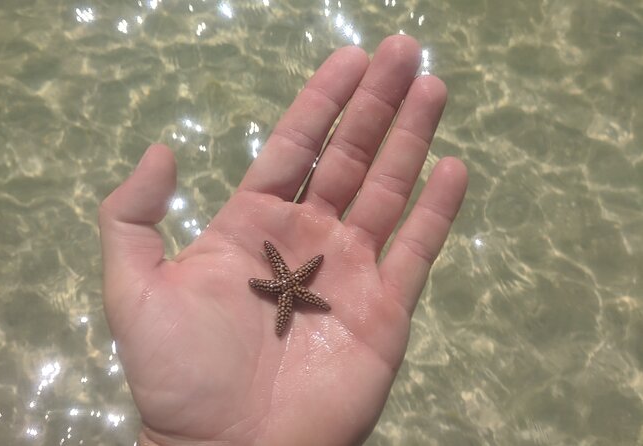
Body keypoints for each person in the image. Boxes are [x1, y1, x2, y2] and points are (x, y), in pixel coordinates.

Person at [98, 35, 468, 446]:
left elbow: (283, 282)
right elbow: (280, 283)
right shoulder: (285, 287)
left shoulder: (286, 286)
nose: (285, 281)